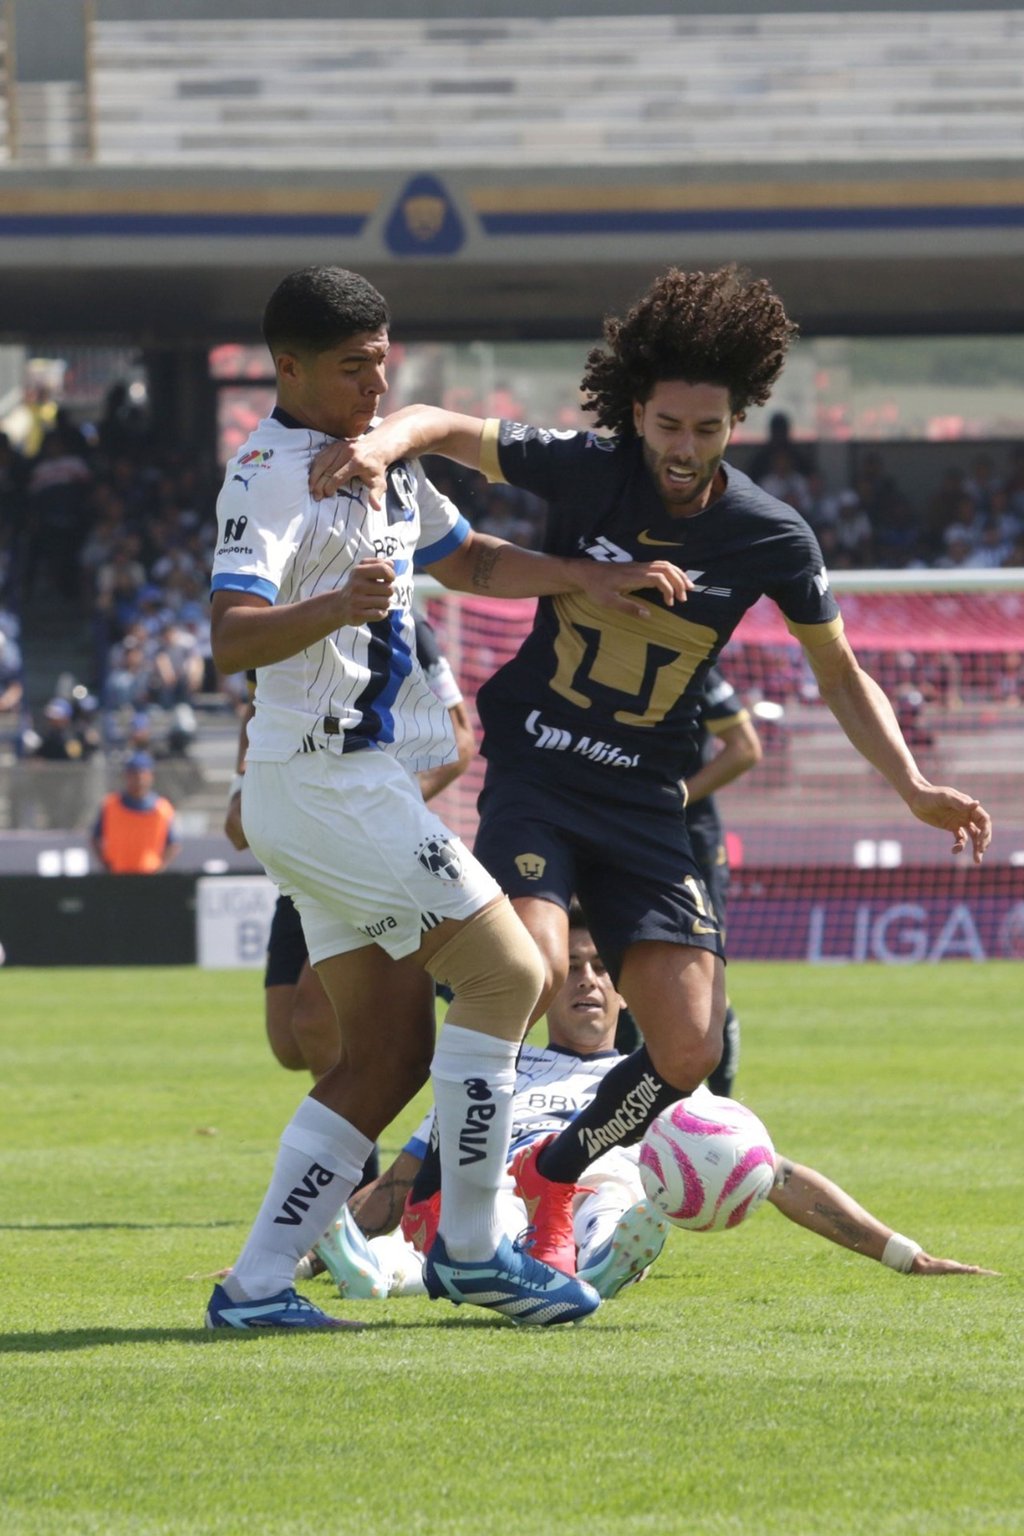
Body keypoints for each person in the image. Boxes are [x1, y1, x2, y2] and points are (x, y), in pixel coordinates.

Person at [310, 262, 991, 1275]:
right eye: (667, 427)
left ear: (735, 426)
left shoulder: (770, 536)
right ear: (638, 416)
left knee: (686, 1053)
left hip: (645, 803)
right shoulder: (589, 467)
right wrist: (375, 445)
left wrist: (913, 788)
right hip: (541, 773)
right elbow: (440, 424)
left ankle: (559, 1166)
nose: (683, 449)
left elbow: (841, 675)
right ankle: (446, 1205)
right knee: (526, 975)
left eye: (705, 431)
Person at [206, 263, 687, 1330]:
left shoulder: (374, 465)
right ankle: (471, 1250)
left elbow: (464, 560)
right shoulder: (274, 476)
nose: (375, 387)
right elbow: (227, 639)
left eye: (383, 362)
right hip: (320, 778)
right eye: (349, 367)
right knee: (514, 970)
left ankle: (252, 1288)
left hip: (344, 781)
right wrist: (336, 604)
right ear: (285, 369)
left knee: (386, 1056)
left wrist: (585, 579)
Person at [311, 910, 996, 1302]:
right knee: (486, 1200)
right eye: (572, 967)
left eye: (602, 969)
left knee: (624, 1203)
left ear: (627, 992)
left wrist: (905, 1255)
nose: (587, 981)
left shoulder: (662, 1083)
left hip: (601, 1190)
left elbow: (775, 1175)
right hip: (501, 1178)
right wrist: (300, 1259)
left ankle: (598, 1260)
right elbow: (404, 1178)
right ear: (545, 988)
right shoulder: (495, 1070)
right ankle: (378, 1268)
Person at [224, 612, 477, 1082]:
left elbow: (461, 738)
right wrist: (242, 789)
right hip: (305, 859)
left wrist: (384, 805)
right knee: (290, 1041)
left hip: (368, 845)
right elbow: (257, 711)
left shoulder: (407, 627)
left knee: (317, 1022)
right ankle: (448, 979)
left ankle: (368, 1151)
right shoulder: (272, 621)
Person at [91, 751, 180, 873]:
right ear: (126, 776)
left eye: (142, 775)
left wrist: (160, 868)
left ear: (150, 776)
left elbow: (173, 844)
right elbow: (95, 838)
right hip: (117, 874)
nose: (139, 780)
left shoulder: (162, 809)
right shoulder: (110, 805)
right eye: (133, 775)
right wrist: (106, 864)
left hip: (148, 875)